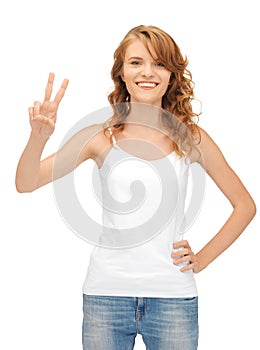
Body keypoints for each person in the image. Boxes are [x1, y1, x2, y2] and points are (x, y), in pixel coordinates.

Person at [15, 25, 256, 350]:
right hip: (106, 296)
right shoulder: (99, 137)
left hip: (173, 298)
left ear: (172, 75)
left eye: (159, 63)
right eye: (136, 62)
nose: (148, 72)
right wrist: (38, 138)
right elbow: (27, 183)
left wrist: (203, 259)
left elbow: (245, 205)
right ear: (122, 74)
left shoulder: (190, 137)